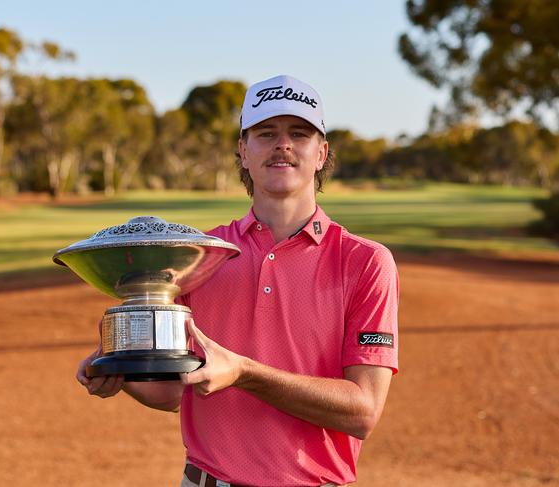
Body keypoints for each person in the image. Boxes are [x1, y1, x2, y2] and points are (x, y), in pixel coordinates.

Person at [77, 75, 399, 487]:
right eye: (266, 134)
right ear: (243, 152)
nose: (282, 144)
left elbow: (363, 411)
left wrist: (245, 372)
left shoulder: (365, 262)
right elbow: (179, 392)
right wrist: (121, 370)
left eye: (298, 133)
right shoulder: (199, 255)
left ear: (321, 153)